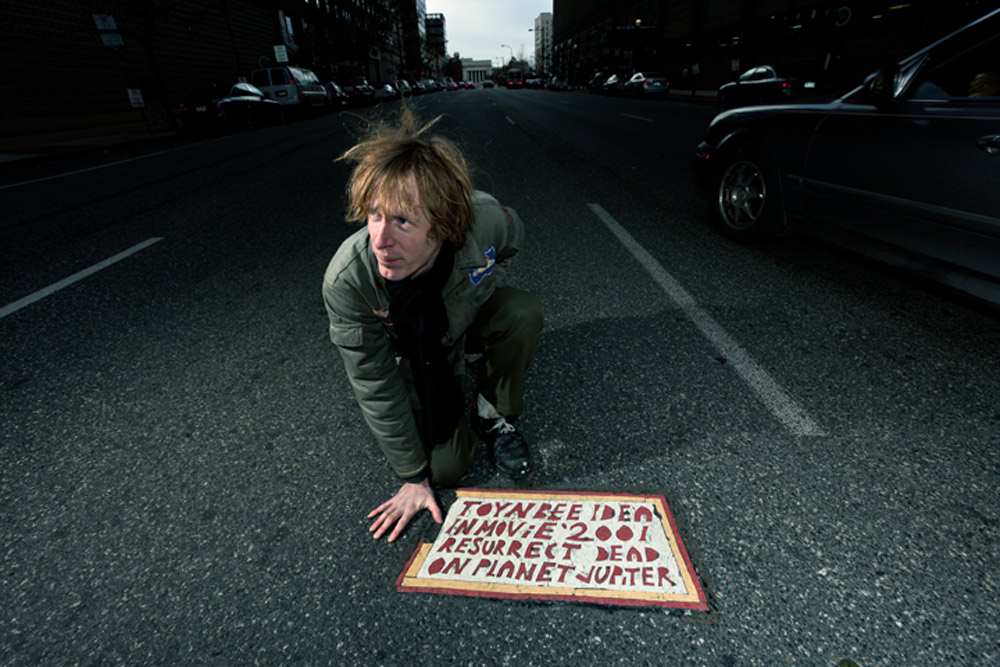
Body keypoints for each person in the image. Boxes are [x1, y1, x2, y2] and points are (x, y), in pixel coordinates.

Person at [322, 110, 543, 543]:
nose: (381, 240)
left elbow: (514, 235)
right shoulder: (349, 281)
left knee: (521, 311)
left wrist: (484, 274)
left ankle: (495, 411)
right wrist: (412, 476)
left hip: (463, 325)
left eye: (403, 221)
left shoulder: (481, 221)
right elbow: (374, 382)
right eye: (374, 215)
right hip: (414, 354)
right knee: (446, 468)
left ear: (443, 226)